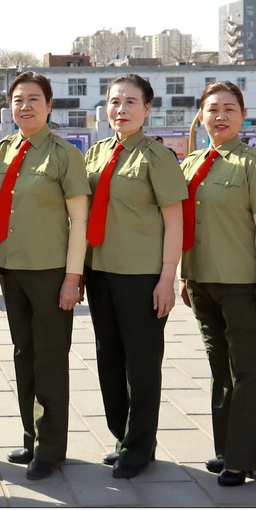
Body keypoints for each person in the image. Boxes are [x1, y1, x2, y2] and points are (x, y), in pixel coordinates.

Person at [178, 81, 256, 487]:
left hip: (244, 283)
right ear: (200, 116)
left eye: (229, 109)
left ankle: (243, 458)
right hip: (201, 281)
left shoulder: (254, 163)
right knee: (219, 368)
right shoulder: (190, 164)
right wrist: (184, 276)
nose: (219, 116)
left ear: (243, 116)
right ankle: (226, 448)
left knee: (249, 371)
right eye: (212, 109)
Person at [83, 73, 187, 479]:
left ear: (147, 109)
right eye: (114, 102)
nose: (120, 109)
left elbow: (174, 222)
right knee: (109, 358)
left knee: (141, 365)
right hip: (100, 272)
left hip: (141, 276)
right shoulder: (95, 154)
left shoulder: (157, 158)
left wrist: (168, 278)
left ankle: (140, 446)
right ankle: (122, 437)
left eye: (130, 102)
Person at [0, 73, 89, 481]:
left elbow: (79, 220)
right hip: (12, 270)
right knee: (22, 353)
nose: (25, 106)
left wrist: (73, 277)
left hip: (50, 273)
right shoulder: (0, 152)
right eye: (18, 100)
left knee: (49, 358)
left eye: (34, 99)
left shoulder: (64, 155)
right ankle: (31, 437)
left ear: (49, 106)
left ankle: (51, 448)